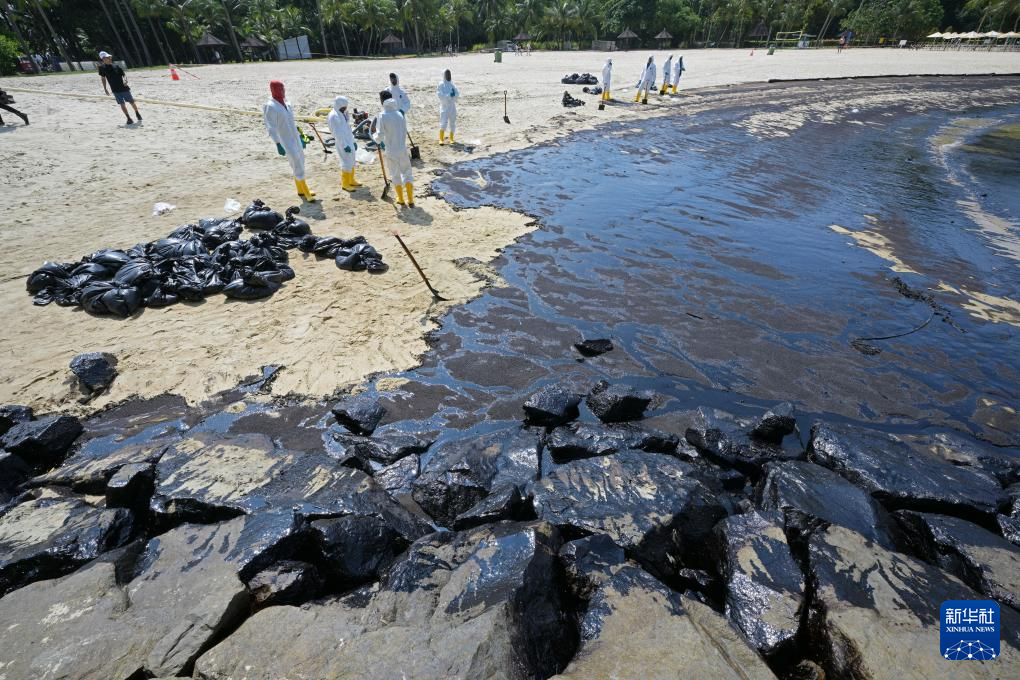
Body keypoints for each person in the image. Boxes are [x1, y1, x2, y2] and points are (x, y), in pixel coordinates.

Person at [263, 79, 316, 200]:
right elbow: (271, 127)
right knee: (296, 162)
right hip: (285, 140)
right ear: (273, 90)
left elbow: (291, 122)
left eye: (283, 88)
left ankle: (300, 189)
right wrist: (278, 144)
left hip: (295, 138)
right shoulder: (270, 106)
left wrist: (300, 137)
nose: (282, 91)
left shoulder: (287, 104)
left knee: (301, 160)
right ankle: (305, 190)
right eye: (279, 89)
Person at [372, 90, 414, 207]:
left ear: (382, 101)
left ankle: (401, 199)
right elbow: (404, 131)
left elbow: (380, 136)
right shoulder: (400, 114)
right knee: (407, 172)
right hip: (402, 149)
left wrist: (375, 138)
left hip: (391, 150)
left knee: (395, 174)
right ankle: (410, 199)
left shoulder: (382, 116)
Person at [327, 95, 362, 192]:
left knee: (352, 160)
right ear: (338, 105)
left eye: (345, 107)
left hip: (349, 140)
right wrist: (344, 145)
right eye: (343, 107)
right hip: (342, 142)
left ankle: (351, 180)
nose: (345, 108)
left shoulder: (344, 113)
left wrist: (353, 141)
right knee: (346, 162)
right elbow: (337, 133)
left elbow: (348, 128)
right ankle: (345, 184)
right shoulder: (333, 116)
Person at [98, 52, 142, 125]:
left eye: (109, 57)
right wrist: (105, 88)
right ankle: (128, 118)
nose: (110, 58)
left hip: (124, 87)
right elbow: (103, 78)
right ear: (103, 59)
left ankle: (137, 113)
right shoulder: (102, 68)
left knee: (131, 102)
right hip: (115, 89)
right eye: (107, 57)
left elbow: (124, 75)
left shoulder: (116, 66)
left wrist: (125, 80)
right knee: (122, 104)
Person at [436, 69, 458, 145]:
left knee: (452, 122)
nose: (448, 76)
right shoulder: (441, 84)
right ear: (444, 75)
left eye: (449, 74)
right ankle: (441, 139)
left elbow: (457, 93)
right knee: (443, 122)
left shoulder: (452, 84)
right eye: (447, 74)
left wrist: (454, 96)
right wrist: (449, 96)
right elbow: (440, 95)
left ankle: (451, 138)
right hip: (444, 107)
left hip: (452, 107)